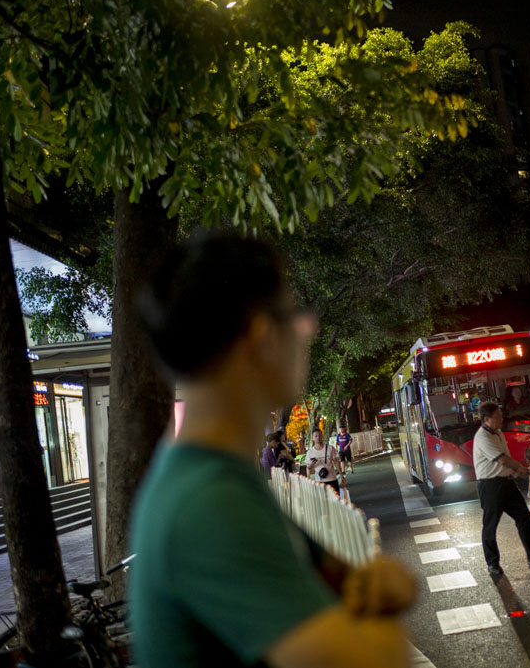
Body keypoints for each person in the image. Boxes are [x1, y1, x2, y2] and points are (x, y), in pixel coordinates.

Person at [128, 232, 417, 668]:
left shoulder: (214, 476)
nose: (309, 330)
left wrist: (377, 589)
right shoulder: (208, 502)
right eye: (294, 316)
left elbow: (356, 577)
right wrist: (384, 606)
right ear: (262, 338)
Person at [472, 402, 530, 576]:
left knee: (524, 518)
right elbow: (502, 460)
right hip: (491, 486)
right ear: (487, 419)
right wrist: (518, 467)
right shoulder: (483, 437)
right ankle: (492, 563)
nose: (501, 419)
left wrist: (515, 472)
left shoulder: (498, 433)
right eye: (498, 416)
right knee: (490, 526)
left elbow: (505, 461)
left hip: (506, 483)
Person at [307, 428, 345, 495]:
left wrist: (341, 475)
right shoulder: (310, 452)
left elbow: (336, 462)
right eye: (316, 436)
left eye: (319, 435)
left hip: (332, 479)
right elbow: (308, 468)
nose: (318, 437)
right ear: (312, 438)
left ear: (322, 436)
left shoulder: (330, 448)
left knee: (336, 500)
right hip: (319, 481)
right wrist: (312, 464)